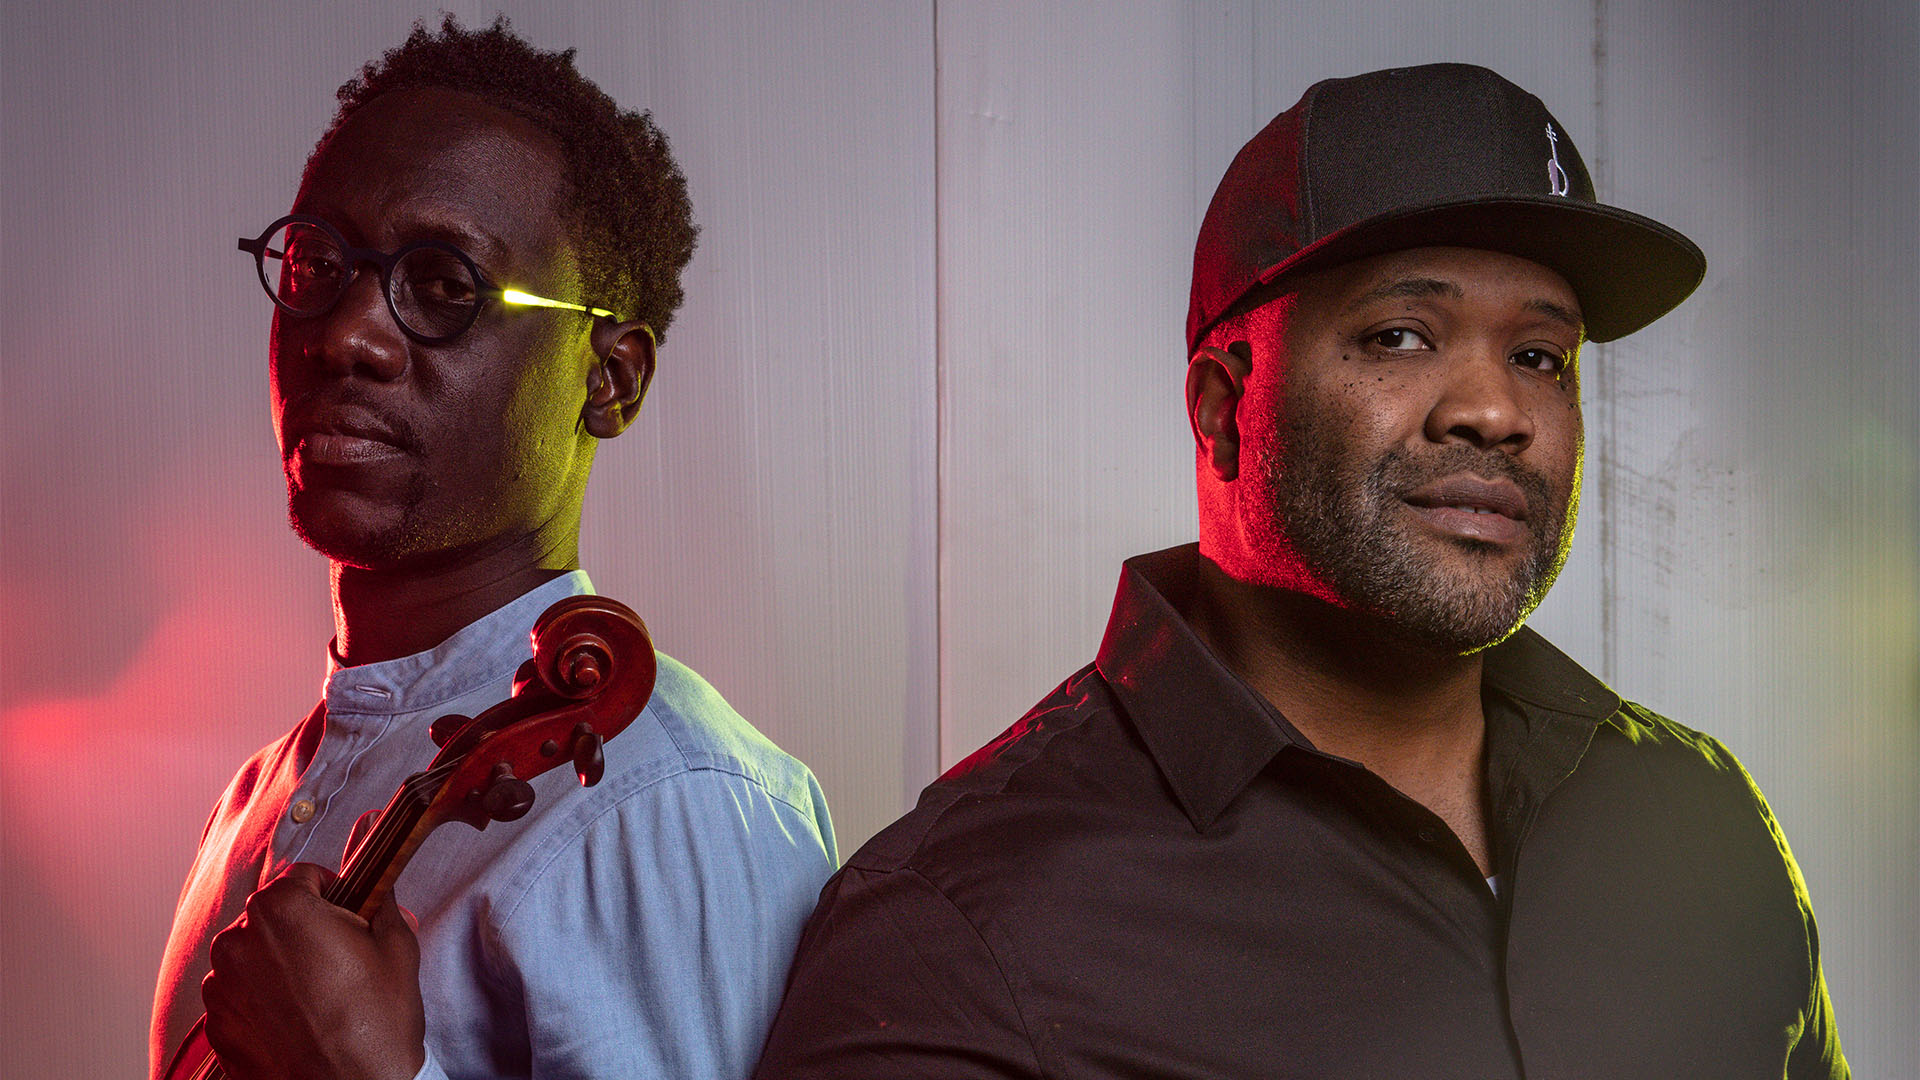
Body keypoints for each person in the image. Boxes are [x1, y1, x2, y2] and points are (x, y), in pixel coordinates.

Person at [751, 63, 1846, 1079]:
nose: (1498, 412)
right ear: (1224, 411)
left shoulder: (1700, 814)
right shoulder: (958, 929)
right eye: (1402, 336)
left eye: (1538, 358)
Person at [149, 17, 837, 1080]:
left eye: (442, 284)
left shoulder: (666, 804)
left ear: (609, 379)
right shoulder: (256, 800)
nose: (345, 335)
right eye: (321, 264)